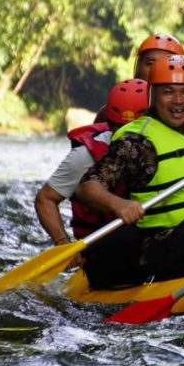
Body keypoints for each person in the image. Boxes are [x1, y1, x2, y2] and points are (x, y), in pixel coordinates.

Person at [75, 55, 184, 288]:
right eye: (168, 92)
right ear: (152, 96)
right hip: (165, 243)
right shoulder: (137, 142)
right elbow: (87, 187)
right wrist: (119, 205)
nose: (178, 100)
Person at [34, 79, 149, 246]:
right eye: (120, 128)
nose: (127, 137)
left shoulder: (168, 144)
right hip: (102, 243)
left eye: (135, 128)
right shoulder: (85, 155)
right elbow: (45, 199)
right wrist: (63, 242)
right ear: (109, 125)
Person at [93, 33, 184, 123]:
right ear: (138, 67)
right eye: (151, 63)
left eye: (167, 65)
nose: (156, 70)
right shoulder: (111, 111)